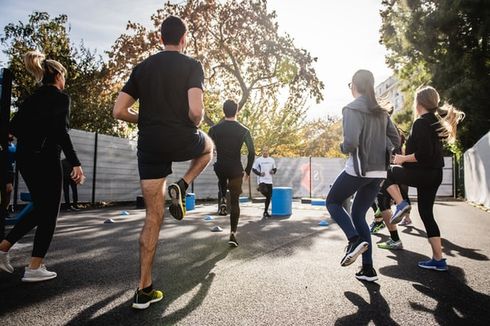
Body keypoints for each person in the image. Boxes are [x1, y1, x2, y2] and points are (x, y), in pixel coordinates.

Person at [113, 16, 213, 309]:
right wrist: (196, 121)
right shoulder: (192, 66)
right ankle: (183, 184)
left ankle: (144, 289)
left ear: (160, 39)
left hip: (150, 144)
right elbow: (196, 111)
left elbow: (119, 111)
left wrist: (143, 118)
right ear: (183, 40)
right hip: (182, 138)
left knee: (152, 217)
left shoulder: (143, 68)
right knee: (208, 147)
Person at [0, 51, 85, 281]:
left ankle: (3, 248)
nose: (64, 80)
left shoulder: (32, 98)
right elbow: (60, 133)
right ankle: (34, 267)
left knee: (41, 208)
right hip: (47, 159)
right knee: (50, 212)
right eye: (64, 76)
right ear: (58, 75)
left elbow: (13, 128)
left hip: (26, 160)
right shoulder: (61, 98)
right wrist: (75, 162)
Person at [325, 70, 400, 282]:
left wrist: (342, 146)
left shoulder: (350, 108)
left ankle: (354, 239)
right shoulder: (382, 112)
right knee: (358, 215)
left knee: (332, 202)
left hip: (359, 169)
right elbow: (396, 139)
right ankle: (368, 269)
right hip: (379, 172)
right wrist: (382, 151)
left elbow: (350, 143)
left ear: (354, 86)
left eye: (350, 84)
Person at [384, 85, 464, 271]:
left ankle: (401, 204)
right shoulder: (435, 122)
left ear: (419, 103)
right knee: (426, 214)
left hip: (424, 173)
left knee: (386, 173)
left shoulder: (421, 122)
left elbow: (423, 154)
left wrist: (403, 158)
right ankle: (438, 259)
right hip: (434, 174)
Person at [208, 100, 255, 247]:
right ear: (237, 111)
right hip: (235, 169)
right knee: (235, 202)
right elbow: (252, 152)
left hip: (220, 166)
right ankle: (233, 234)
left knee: (221, 177)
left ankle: (222, 197)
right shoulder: (244, 130)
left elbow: (207, 147)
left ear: (223, 111)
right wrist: (247, 170)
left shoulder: (214, 129)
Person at [252, 146, 276, 218]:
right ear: (262, 152)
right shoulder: (258, 160)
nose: (265, 152)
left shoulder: (272, 160)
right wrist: (259, 174)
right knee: (267, 194)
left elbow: (275, 169)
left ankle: (265, 212)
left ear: (268, 151)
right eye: (264, 151)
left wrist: (273, 171)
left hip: (269, 180)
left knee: (269, 197)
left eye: (266, 151)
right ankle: (260, 188)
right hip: (261, 180)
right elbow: (253, 169)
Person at [0, 135, 15, 239]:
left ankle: (5, 210)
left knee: (9, 192)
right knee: (6, 190)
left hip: (11, 171)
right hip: (4, 171)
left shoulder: (13, 145)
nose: (11, 134)